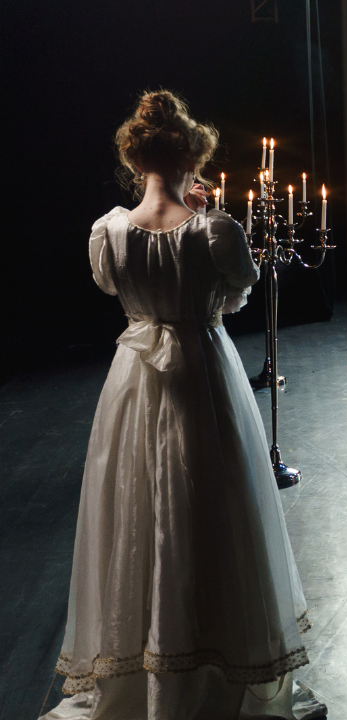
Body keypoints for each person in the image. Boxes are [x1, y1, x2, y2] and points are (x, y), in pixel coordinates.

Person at [41, 91, 314, 720]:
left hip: (133, 382)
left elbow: (117, 285)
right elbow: (235, 300)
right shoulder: (215, 230)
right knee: (211, 504)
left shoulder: (108, 232)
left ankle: (143, 664)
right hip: (201, 373)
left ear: (137, 165)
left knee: (138, 505)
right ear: (192, 158)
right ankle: (214, 660)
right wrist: (201, 223)